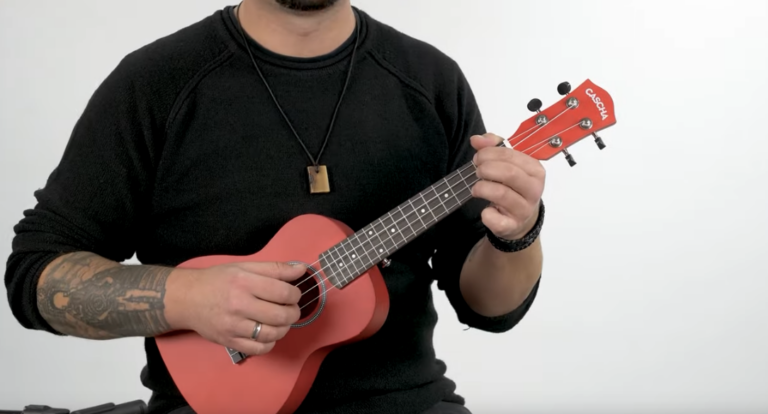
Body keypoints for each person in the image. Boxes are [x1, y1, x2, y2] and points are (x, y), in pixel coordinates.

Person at [4, 1, 545, 413]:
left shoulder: (429, 80)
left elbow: (489, 309)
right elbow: (36, 276)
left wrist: (517, 232)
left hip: (408, 403)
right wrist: (188, 298)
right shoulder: (155, 82)